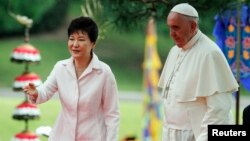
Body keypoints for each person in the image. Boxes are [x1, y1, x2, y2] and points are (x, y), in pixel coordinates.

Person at [23, 16, 120, 141]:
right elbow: (45, 91)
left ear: (93, 44)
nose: (75, 44)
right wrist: (36, 92)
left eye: (81, 39)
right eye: (71, 39)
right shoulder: (60, 68)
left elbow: (112, 115)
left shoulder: (104, 72)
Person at [158, 3, 239, 141]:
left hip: (197, 136)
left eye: (176, 28)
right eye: (170, 27)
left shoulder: (210, 54)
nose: (172, 33)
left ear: (193, 26)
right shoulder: (174, 51)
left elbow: (219, 111)